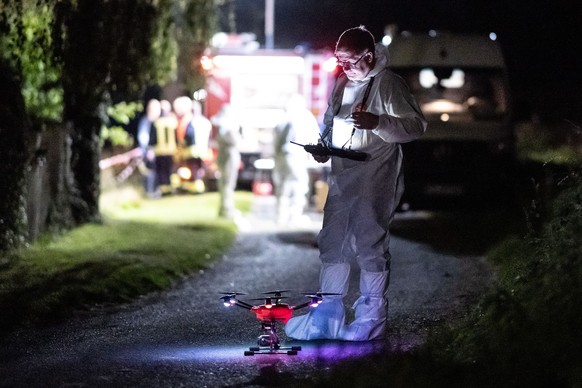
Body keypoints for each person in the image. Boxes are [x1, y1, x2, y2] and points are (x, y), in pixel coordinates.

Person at [285, 26, 427, 341]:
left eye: (351, 62)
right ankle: (328, 315)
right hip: (342, 173)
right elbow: (330, 121)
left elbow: (416, 126)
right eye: (341, 62)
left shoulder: (389, 84)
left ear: (369, 56)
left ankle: (371, 318)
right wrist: (322, 146)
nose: (345, 68)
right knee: (332, 242)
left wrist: (379, 122)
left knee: (369, 243)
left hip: (375, 172)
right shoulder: (341, 85)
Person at [272, 94, 319, 225]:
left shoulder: (283, 117)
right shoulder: (304, 116)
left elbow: (276, 141)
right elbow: (313, 137)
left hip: (282, 156)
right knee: (299, 186)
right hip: (296, 156)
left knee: (282, 186)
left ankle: (281, 216)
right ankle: (294, 216)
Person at [211, 104, 242, 218]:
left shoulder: (222, 125)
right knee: (227, 184)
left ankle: (225, 208)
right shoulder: (227, 127)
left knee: (225, 184)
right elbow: (234, 141)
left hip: (224, 156)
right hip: (228, 157)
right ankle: (227, 209)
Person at [137, 99, 161, 196]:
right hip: (150, 151)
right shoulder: (147, 122)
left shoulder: (158, 121)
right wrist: (148, 150)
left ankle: (155, 190)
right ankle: (150, 191)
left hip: (158, 152)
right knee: (150, 172)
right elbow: (143, 137)